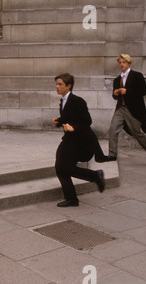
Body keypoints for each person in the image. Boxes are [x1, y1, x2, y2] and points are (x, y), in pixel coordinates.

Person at [52, 73, 106, 207]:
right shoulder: (63, 101)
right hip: (70, 139)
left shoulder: (77, 101)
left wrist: (73, 127)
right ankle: (73, 197)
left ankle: (95, 177)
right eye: (57, 84)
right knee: (61, 168)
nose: (57, 87)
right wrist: (58, 122)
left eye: (60, 84)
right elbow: (68, 118)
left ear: (68, 86)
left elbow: (87, 121)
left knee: (62, 167)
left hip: (81, 141)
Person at [107, 54, 146, 163]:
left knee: (136, 132)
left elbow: (143, 92)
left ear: (128, 63)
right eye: (120, 62)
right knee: (112, 129)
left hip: (133, 109)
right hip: (120, 108)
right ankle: (112, 154)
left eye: (123, 62)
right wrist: (115, 93)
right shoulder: (117, 80)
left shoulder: (137, 76)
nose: (121, 64)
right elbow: (115, 97)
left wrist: (127, 91)